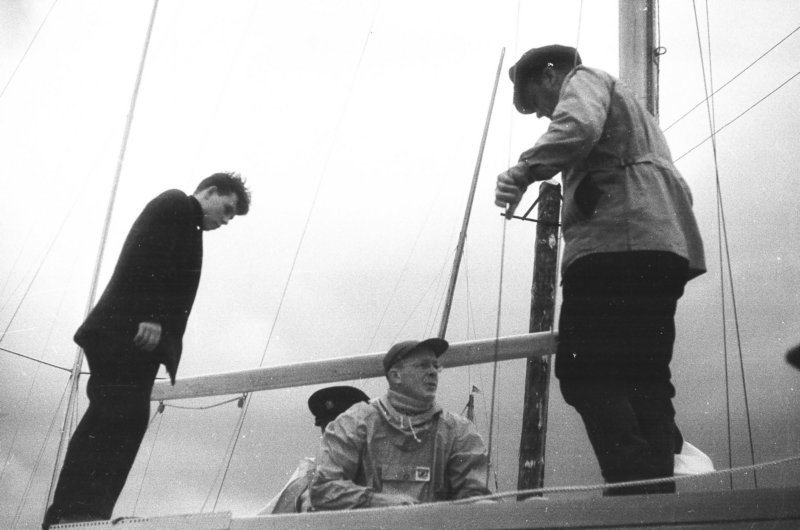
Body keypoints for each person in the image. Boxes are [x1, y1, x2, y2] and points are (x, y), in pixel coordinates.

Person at [495, 45, 706, 495]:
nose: (543, 116)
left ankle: (630, 484)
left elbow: (577, 125)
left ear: (550, 75)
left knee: (584, 370)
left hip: (615, 243)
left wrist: (524, 171)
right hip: (661, 244)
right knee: (644, 374)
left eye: (536, 103)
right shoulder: (635, 118)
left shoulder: (585, 79)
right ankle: (653, 496)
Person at [43, 172, 251, 528]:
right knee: (115, 413)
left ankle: (87, 510)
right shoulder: (175, 204)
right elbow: (146, 253)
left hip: (135, 341)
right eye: (227, 209)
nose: (226, 220)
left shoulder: (189, 225)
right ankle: (72, 511)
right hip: (127, 334)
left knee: (123, 417)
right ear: (211, 191)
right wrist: (151, 315)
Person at [309, 338, 491, 509]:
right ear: (395, 376)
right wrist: (377, 502)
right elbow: (323, 488)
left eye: (436, 366)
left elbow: (473, 497)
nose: (433, 372)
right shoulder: (355, 424)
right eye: (423, 365)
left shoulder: (458, 431)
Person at [258, 386, 370, 514]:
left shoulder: (377, 475)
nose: (333, 438)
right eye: (328, 431)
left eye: (342, 430)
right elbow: (270, 519)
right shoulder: (301, 484)